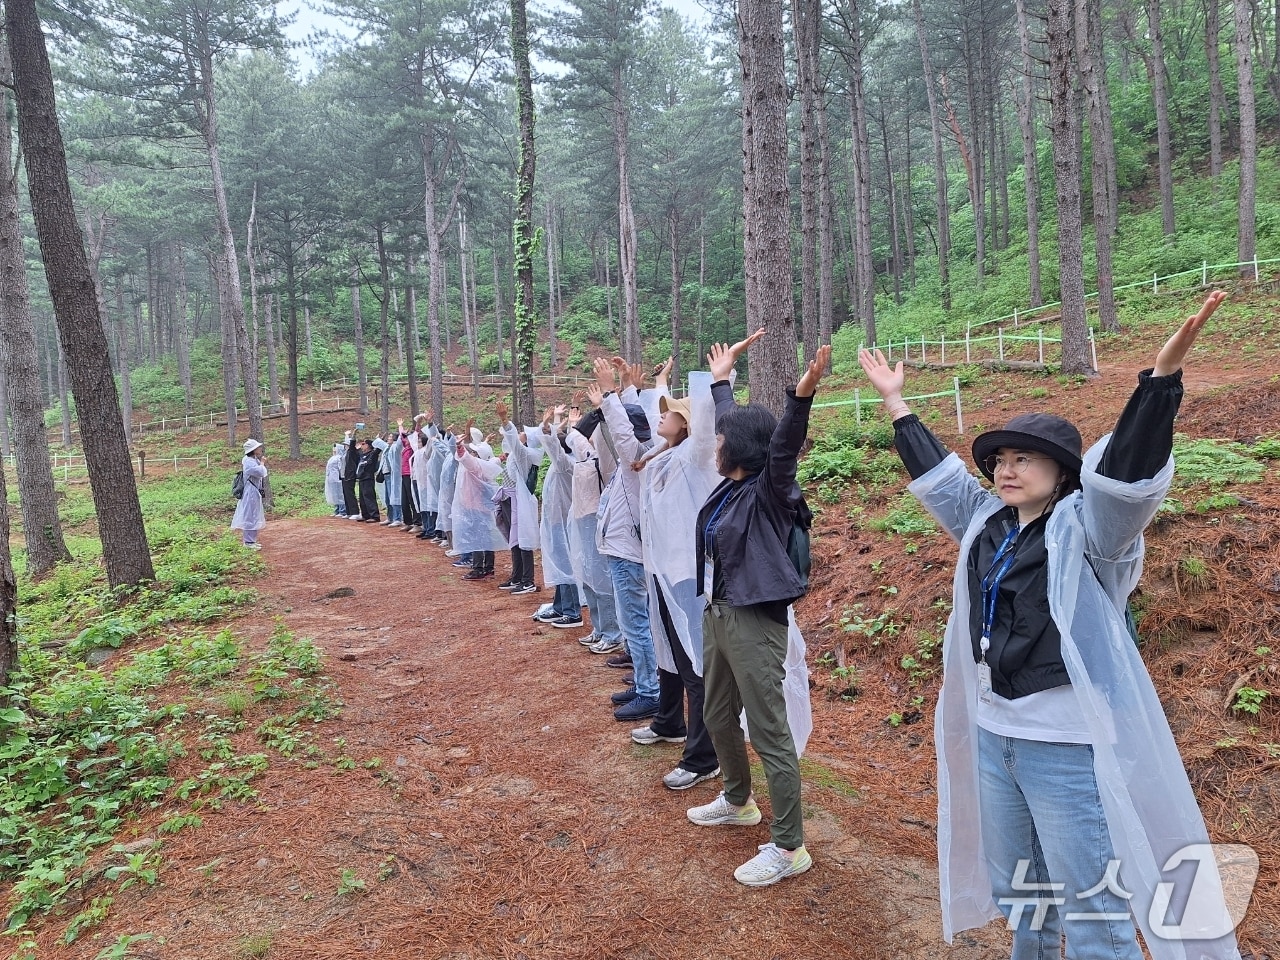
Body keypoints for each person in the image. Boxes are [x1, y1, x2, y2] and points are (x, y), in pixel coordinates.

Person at [857, 291, 1238, 960]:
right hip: (996, 736)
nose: (1005, 466)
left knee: (1092, 909)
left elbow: (1127, 479)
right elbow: (942, 477)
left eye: (1023, 458)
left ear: (1064, 474)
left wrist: (1161, 381)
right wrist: (897, 402)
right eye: (1000, 458)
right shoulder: (986, 524)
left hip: (1065, 746)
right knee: (1022, 895)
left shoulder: (1092, 534)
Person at [686, 332, 828, 888]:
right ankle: (737, 800)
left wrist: (801, 398)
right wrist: (722, 382)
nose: (714, 445)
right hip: (718, 612)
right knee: (717, 714)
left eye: (721, 440)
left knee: (769, 732)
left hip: (754, 621)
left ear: (739, 451)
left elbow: (782, 447)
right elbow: (735, 422)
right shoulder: (730, 487)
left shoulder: (771, 491)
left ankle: (790, 846)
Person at [633, 362, 722, 792]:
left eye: (669, 412)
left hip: (687, 575)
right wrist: (658, 384)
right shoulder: (664, 457)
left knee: (695, 663)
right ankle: (669, 721)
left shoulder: (695, 456)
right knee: (669, 651)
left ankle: (703, 756)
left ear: (686, 423)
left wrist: (715, 376)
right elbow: (655, 423)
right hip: (661, 572)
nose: (660, 417)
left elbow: (705, 425)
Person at [588, 356, 661, 722]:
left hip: (629, 556)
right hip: (623, 553)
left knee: (636, 622)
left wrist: (607, 392)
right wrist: (628, 386)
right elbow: (628, 423)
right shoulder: (631, 462)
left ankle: (651, 692)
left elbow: (621, 430)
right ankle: (644, 682)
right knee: (632, 620)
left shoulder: (640, 458)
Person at [232, 438, 269, 550]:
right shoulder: (249, 462)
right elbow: (260, 472)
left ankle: (251, 541)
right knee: (249, 516)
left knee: (253, 515)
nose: (260, 449)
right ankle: (248, 542)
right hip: (250, 493)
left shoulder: (252, 460)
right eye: (258, 448)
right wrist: (262, 463)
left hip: (253, 492)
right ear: (253, 450)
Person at [325, 443, 345, 517]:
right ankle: (337, 510)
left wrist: (341, 476)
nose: (334, 450)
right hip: (331, 479)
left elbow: (340, 468)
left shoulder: (339, 457)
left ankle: (342, 510)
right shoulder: (333, 457)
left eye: (335, 448)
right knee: (334, 495)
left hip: (337, 478)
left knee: (340, 494)